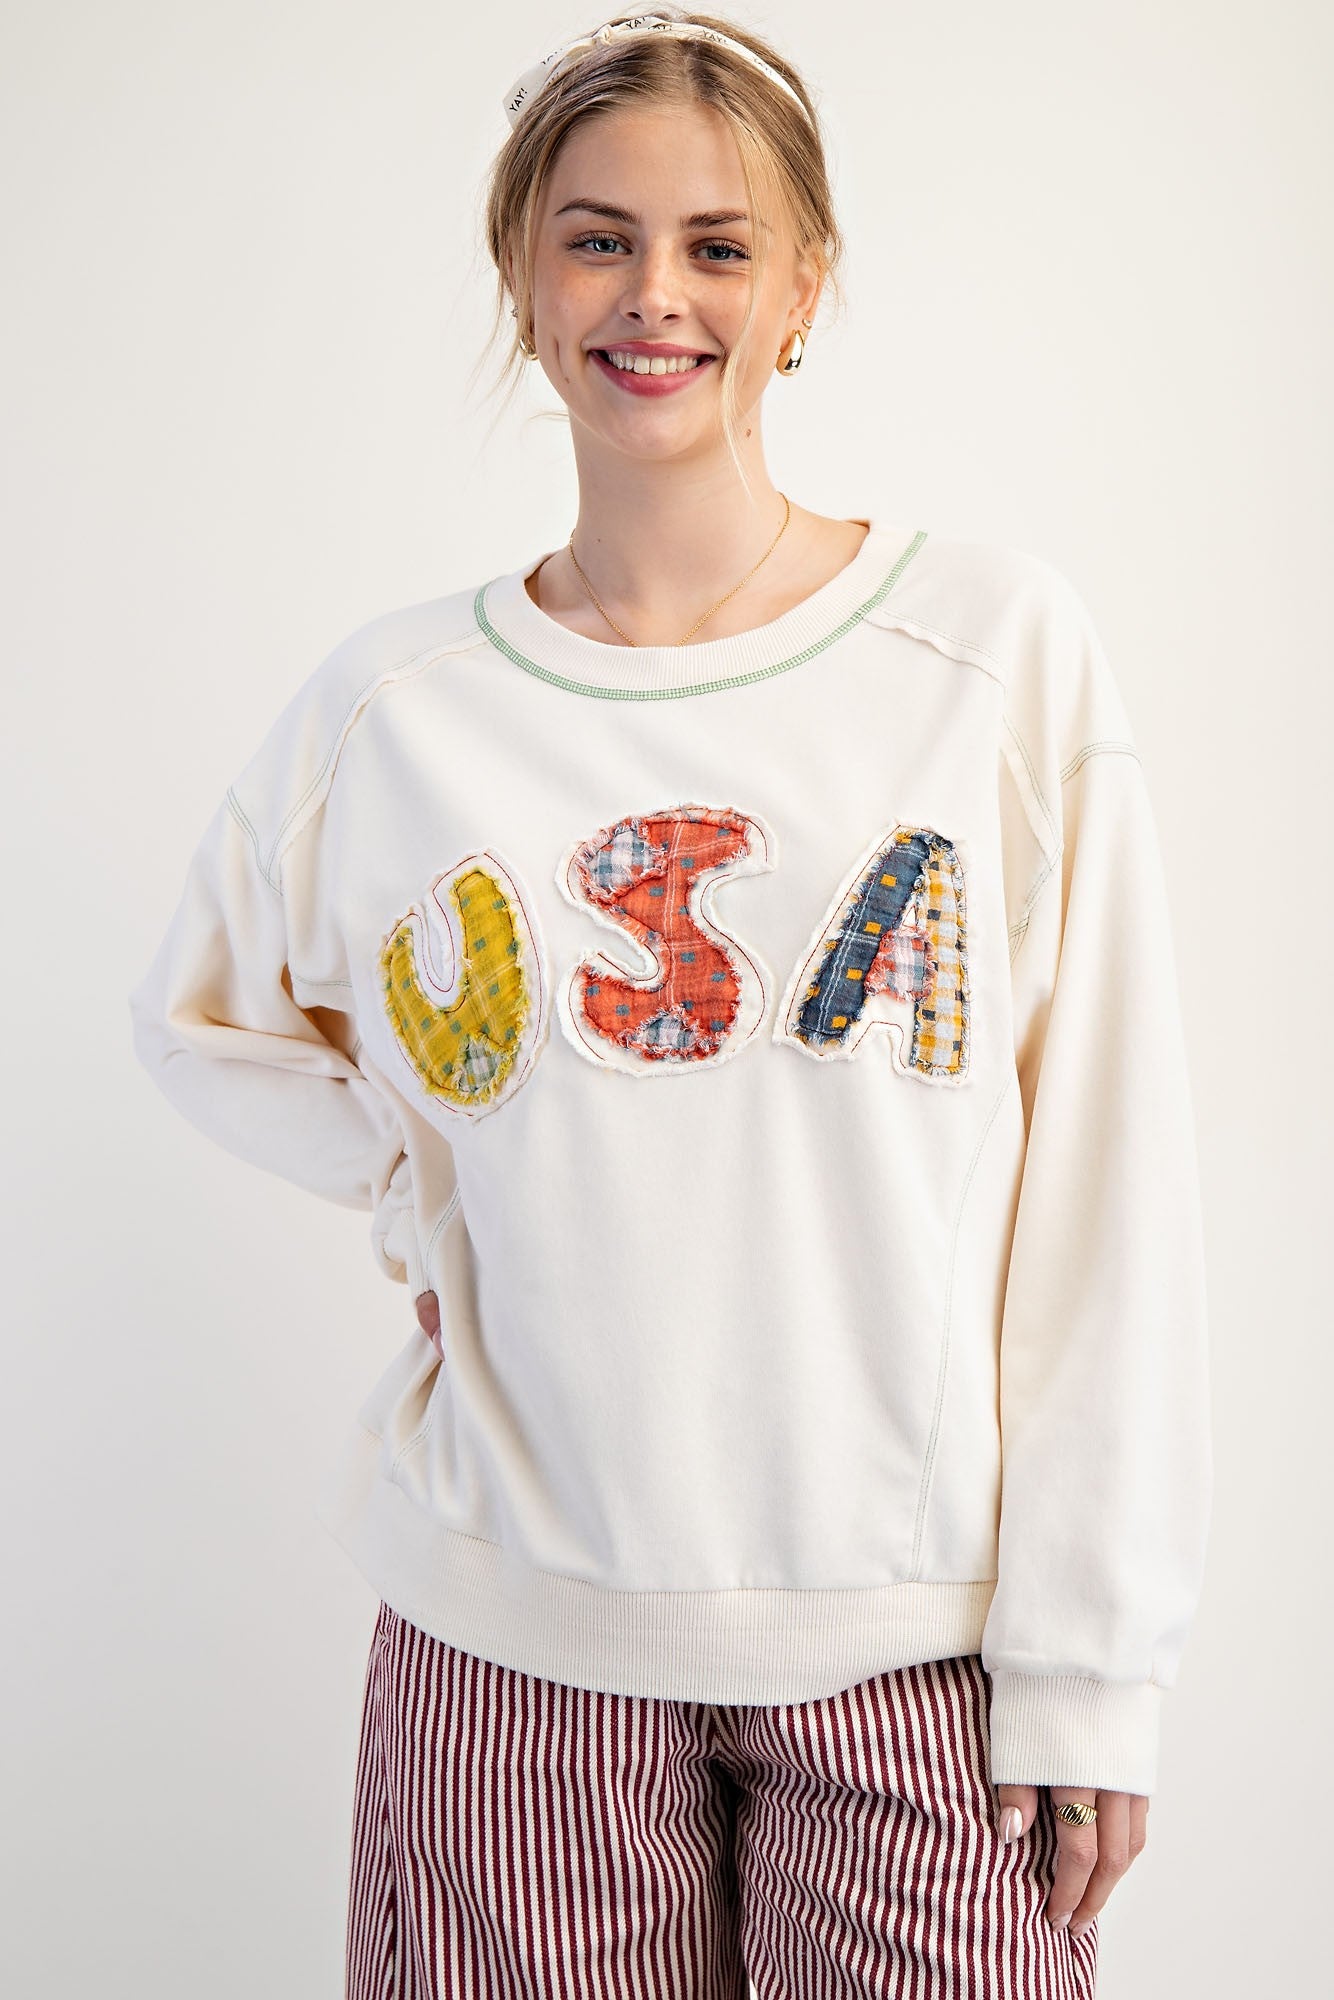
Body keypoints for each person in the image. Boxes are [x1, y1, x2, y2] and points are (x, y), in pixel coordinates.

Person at [127, 8, 1214, 1995]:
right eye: (597, 238)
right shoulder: (395, 713)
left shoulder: (988, 656)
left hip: (917, 1659)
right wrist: (426, 1197)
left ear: (804, 288)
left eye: (718, 245)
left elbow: (1106, 1182)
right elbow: (201, 1017)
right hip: (508, 1646)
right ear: (522, 278)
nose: (655, 295)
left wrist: (1091, 1668)